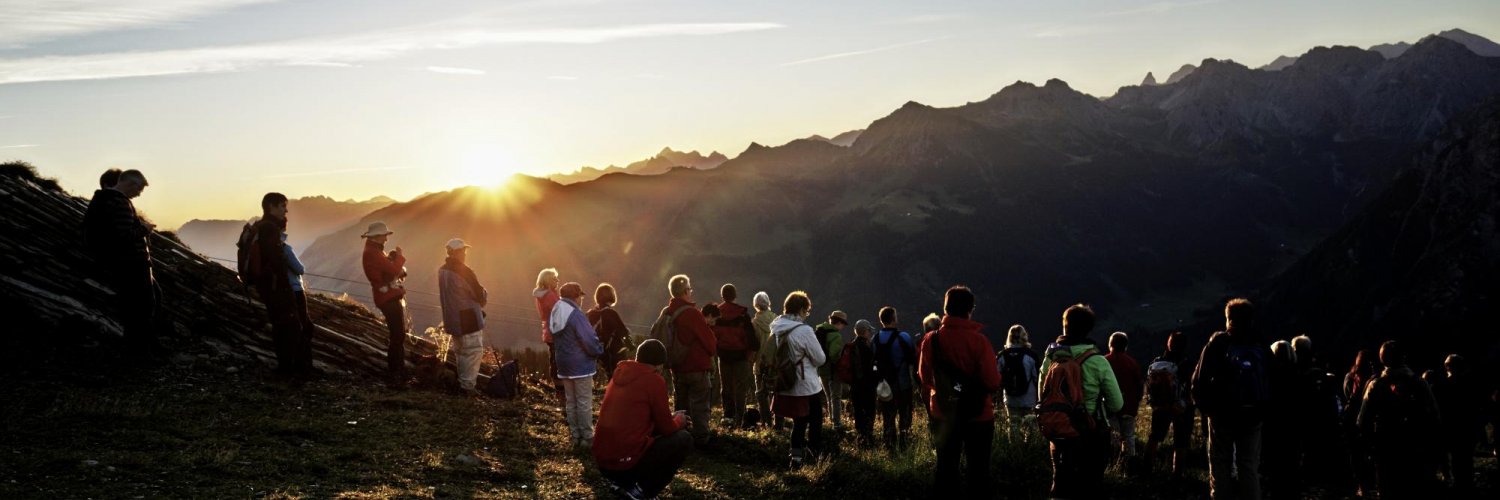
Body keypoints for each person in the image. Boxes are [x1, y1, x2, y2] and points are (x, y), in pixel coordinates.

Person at [918, 286, 1001, 497]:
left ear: (945, 309)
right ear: (970, 310)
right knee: (978, 471)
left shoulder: (931, 340)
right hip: (978, 414)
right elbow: (992, 382)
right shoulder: (980, 341)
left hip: (943, 413)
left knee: (946, 469)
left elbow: (925, 378)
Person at [1039, 304, 1124, 499]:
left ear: (1064, 327)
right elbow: (1116, 404)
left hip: (1058, 433)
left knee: (1060, 484)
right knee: (1090, 487)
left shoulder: (1049, 359)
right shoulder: (1098, 361)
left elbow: (1042, 398)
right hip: (1089, 434)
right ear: (1089, 329)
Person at [593, 339, 694, 499]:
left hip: (603, 462)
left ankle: (622, 484)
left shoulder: (619, 374)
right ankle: (642, 491)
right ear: (659, 365)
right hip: (625, 464)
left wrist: (672, 417)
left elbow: (638, 417)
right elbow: (666, 428)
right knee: (683, 439)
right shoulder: (653, 380)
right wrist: (679, 421)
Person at [1192, 298, 1270, 500]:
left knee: (1220, 463)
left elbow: (1198, 381)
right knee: (1249, 465)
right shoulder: (1260, 343)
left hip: (1222, 416)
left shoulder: (1218, 343)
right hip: (1253, 415)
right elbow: (1274, 380)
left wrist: (1207, 410)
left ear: (1229, 319)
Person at [82, 169, 159, 356]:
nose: (139, 194)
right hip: (132, 264)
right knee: (143, 306)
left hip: (118, 263)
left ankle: (139, 348)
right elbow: (124, 235)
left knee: (136, 305)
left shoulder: (102, 199)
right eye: (139, 189)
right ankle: (141, 351)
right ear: (131, 184)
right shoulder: (120, 202)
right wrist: (145, 230)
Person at [1357, 340, 1441, 500]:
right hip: (1415, 447)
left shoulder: (1375, 385)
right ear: (1403, 357)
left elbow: (1362, 421)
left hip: (1385, 449)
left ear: (1383, 359)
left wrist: (1368, 446)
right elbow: (1434, 416)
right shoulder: (1419, 383)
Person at [249, 193, 306, 379]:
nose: (286, 210)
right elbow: (277, 261)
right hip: (277, 288)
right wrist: (285, 287)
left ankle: (286, 368)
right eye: (282, 206)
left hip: (268, 287)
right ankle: (289, 370)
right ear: (271, 206)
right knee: (290, 327)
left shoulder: (260, 227)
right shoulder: (269, 229)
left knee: (281, 325)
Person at [770, 291, 826, 468]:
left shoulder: (777, 328)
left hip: (786, 381)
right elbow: (820, 358)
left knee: (798, 422)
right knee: (815, 420)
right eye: (806, 311)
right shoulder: (804, 330)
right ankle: (815, 455)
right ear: (801, 309)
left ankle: (795, 458)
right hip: (806, 384)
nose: (806, 314)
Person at [660, 274, 717, 445]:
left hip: (677, 367)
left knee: (681, 405)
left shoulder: (668, 312)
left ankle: (681, 436)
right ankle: (701, 439)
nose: (691, 292)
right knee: (700, 406)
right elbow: (711, 344)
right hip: (697, 368)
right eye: (690, 290)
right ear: (685, 291)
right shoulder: (692, 313)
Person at [553, 282, 605, 448]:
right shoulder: (575, 314)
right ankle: (587, 437)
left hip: (563, 362)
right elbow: (588, 339)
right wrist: (599, 349)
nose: (581, 300)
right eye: (580, 296)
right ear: (575, 297)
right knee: (583, 401)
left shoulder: (556, 310)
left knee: (571, 401)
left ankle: (575, 435)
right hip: (580, 364)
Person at [360, 221, 408, 386]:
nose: (386, 239)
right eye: (385, 236)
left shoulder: (373, 251)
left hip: (385, 297)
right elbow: (394, 270)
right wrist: (400, 256)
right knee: (398, 335)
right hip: (387, 298)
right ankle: (396, 372)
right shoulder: (373, 253)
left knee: (397, 335)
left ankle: (397, 371)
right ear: (377, 236)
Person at [437, 238, 487, 395]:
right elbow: (480, 297)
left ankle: (462, 383)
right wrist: (484, 293)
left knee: (460, 352)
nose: (465, 254)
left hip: (452, 318)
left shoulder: (442, 270)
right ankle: (467, 387)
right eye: (463, 251)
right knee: (473, 352)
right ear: (457, 253)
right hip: (468, 319)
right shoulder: (464, 272)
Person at [1145, 331, 1194, 477]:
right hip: (1181, 407)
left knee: (1154, 437)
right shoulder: (1186, 362)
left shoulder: (1157, 362)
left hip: (1160, 405)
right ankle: (1177, 474)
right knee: (1181, 442)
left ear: (1169, 344)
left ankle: (1147, 469)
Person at [1434, 354, 1482, 493]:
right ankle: (1467, 484)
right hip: (1466, 428)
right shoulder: (1470, 385)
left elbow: (1441, 410)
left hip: (1453, 428)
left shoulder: (1443, 386)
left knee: (1457, 459)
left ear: (1447, 367)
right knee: (1466, 459)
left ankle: (1460, 485)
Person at [713, 284, 758, 428]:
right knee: (741, 388)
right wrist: (751, 354)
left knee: (726, 387)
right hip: (740, 356)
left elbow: (712, 335)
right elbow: (751, 338)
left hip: (724, 355)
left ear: (722, 295)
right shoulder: (743, 314)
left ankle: (728, 416)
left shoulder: (717, 313)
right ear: (734, 295)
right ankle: (740, 417)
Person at [875, 307, 917, 450]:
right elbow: (913, 359)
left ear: (881, 320)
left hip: (885, 385)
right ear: (894, 319)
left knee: (888, 416)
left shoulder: (876, 338)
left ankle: (889, 445)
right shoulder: (903, 337)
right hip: (903, 384)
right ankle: (905, 442)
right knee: (904, 414)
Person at [1342, 349, 1378, 497]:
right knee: (1371, 452)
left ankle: (1362, 486)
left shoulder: (1349, 377)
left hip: (1351, 417)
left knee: (1355, 454)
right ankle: (1375, 483)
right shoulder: (1375, 379)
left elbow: (1345, 393)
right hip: (1369, 418)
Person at [281, 228, 316, 379]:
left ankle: (291, 365)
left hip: (280, 291)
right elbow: (300, 269)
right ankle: (304, 367)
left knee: (289, 327)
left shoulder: (266, 246)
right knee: (305, 326)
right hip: (295, 289)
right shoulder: (285, 248)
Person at [1106, 331, 1144, 466]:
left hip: (1109, 407)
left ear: (1110, 345)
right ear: (1125, 346)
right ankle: (1129, 463)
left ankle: (1113, 463)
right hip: (1129, 406)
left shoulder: (1105, 362)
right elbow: (1140, 385)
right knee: (1128, 436)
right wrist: (1137, 401)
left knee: (1113, 436)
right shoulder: (1132, 363)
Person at [998, 324, 1039, 440]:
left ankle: (1014, 451)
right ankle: (1029, 452)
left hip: (1010, 398)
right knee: (1031, 428)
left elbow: (997, 377)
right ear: (1024, 336)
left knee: (1013, 426)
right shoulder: (1031, 355)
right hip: (1029, 399)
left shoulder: (1002, 355)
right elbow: (1036, 378)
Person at [587, 284, 631, 382]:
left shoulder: (591, 314)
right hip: (612, 352)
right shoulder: (611, 313)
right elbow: (623, 332)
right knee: (615, 377)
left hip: (595, 352)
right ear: (611, 296)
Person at [845, 319, 879, 447]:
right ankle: (868, 437)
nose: (870, 333)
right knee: (870, 411)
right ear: (865, 331)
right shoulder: (866, 347)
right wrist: (876, 368)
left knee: (858, 411)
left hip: (855, 386)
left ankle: (860, 437)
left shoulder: (852, 345)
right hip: (868, 386)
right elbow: (872, 368)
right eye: (869, 330)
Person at [534, 268, 565, 402]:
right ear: (547, 280)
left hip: (548, 330)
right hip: (557, 331)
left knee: (554, 359)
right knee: (558, 360)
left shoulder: (541, 295)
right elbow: (559, 313)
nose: (557, 281)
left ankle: (559, 390)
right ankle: (561, 391)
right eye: (554, 278)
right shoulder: (550, 296)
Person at [815, 311, 848, 433]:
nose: (843, 327)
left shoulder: (820, 331)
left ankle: (831, 421)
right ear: (839, 323)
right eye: (843, 324)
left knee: (828, 396)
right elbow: (834, 354)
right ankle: (837, 424)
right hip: (833, 371)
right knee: (836, 397)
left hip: (822, 369)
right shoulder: (835, 335)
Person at [752, 291, 780, 428]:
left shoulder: (754, 323)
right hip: (775, 363)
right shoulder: (777, 320)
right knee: (777, 392)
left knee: (761, 393)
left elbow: (753, 344)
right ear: (768, 303)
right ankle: (778, 422)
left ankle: (765, 421)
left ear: (755, 305)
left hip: (759, 362)